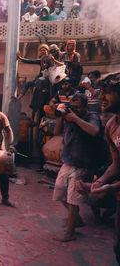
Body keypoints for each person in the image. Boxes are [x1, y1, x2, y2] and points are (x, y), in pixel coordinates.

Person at [52, 93, 102, 242]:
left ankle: (70, 232)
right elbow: (56, 132)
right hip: (68, 160)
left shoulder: (91, 116)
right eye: (73, 107)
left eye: (78, 107)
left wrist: (74, 118)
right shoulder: (69, 116)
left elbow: (94, 131)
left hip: (85, 163)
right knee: (60, 192)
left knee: (73, 199)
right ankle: (77, 220)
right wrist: (62, 116)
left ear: (85, 107)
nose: (75, 110)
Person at [88, 72, 120, 263]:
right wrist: (99, 183)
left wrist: (112, 188)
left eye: (107, 92)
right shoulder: (111, 125)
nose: (101, 97)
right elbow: (117, 164)